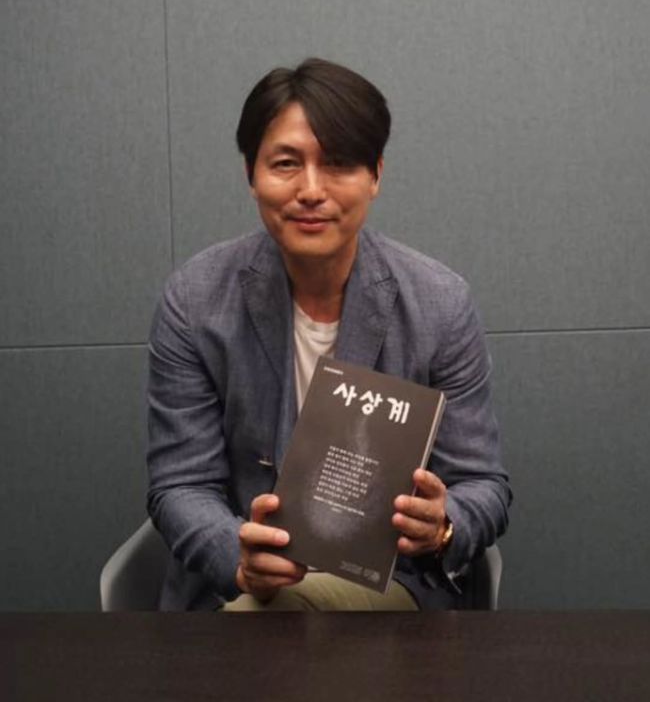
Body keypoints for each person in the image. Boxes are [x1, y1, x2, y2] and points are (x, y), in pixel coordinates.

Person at [146, 57, 511, 611]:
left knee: (290, 618)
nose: (311, 190)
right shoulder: (194, 301)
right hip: (240, 593)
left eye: (338, 163)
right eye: (286, 164)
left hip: (390, 588)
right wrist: (237, 554)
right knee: (274, 615)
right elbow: (180, 484)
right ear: (251, 174)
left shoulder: (440, 305)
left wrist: (443, 525)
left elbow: (483, 484)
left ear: (376, 175)